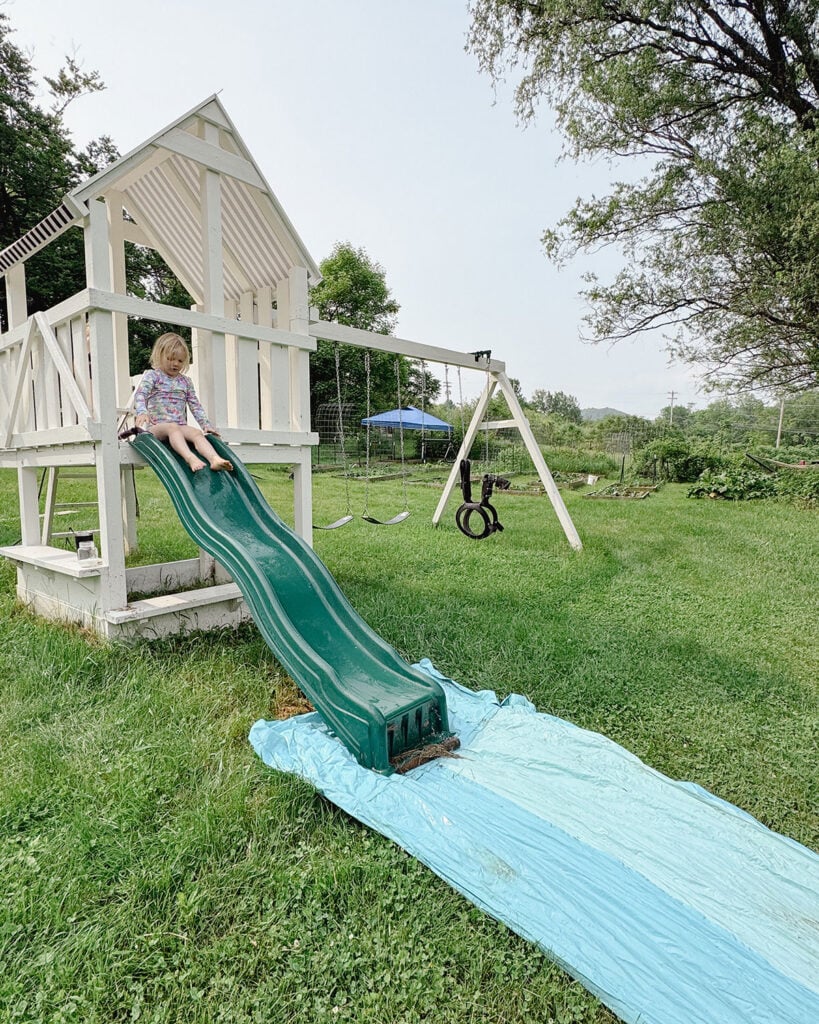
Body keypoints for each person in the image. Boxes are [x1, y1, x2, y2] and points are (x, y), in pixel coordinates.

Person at [134, 333, 233, 472]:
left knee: (196, 433)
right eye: (170, 359)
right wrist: (142, 412)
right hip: (157, 428)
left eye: (180, 361)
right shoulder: (153, 376)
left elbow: (195, 405)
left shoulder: (185, 381)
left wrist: (206, 425)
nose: (175, 364)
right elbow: (141, 394)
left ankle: (214, 459)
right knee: (172, 427)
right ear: (159, 355)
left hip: (179, 427)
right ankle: (190, 458)